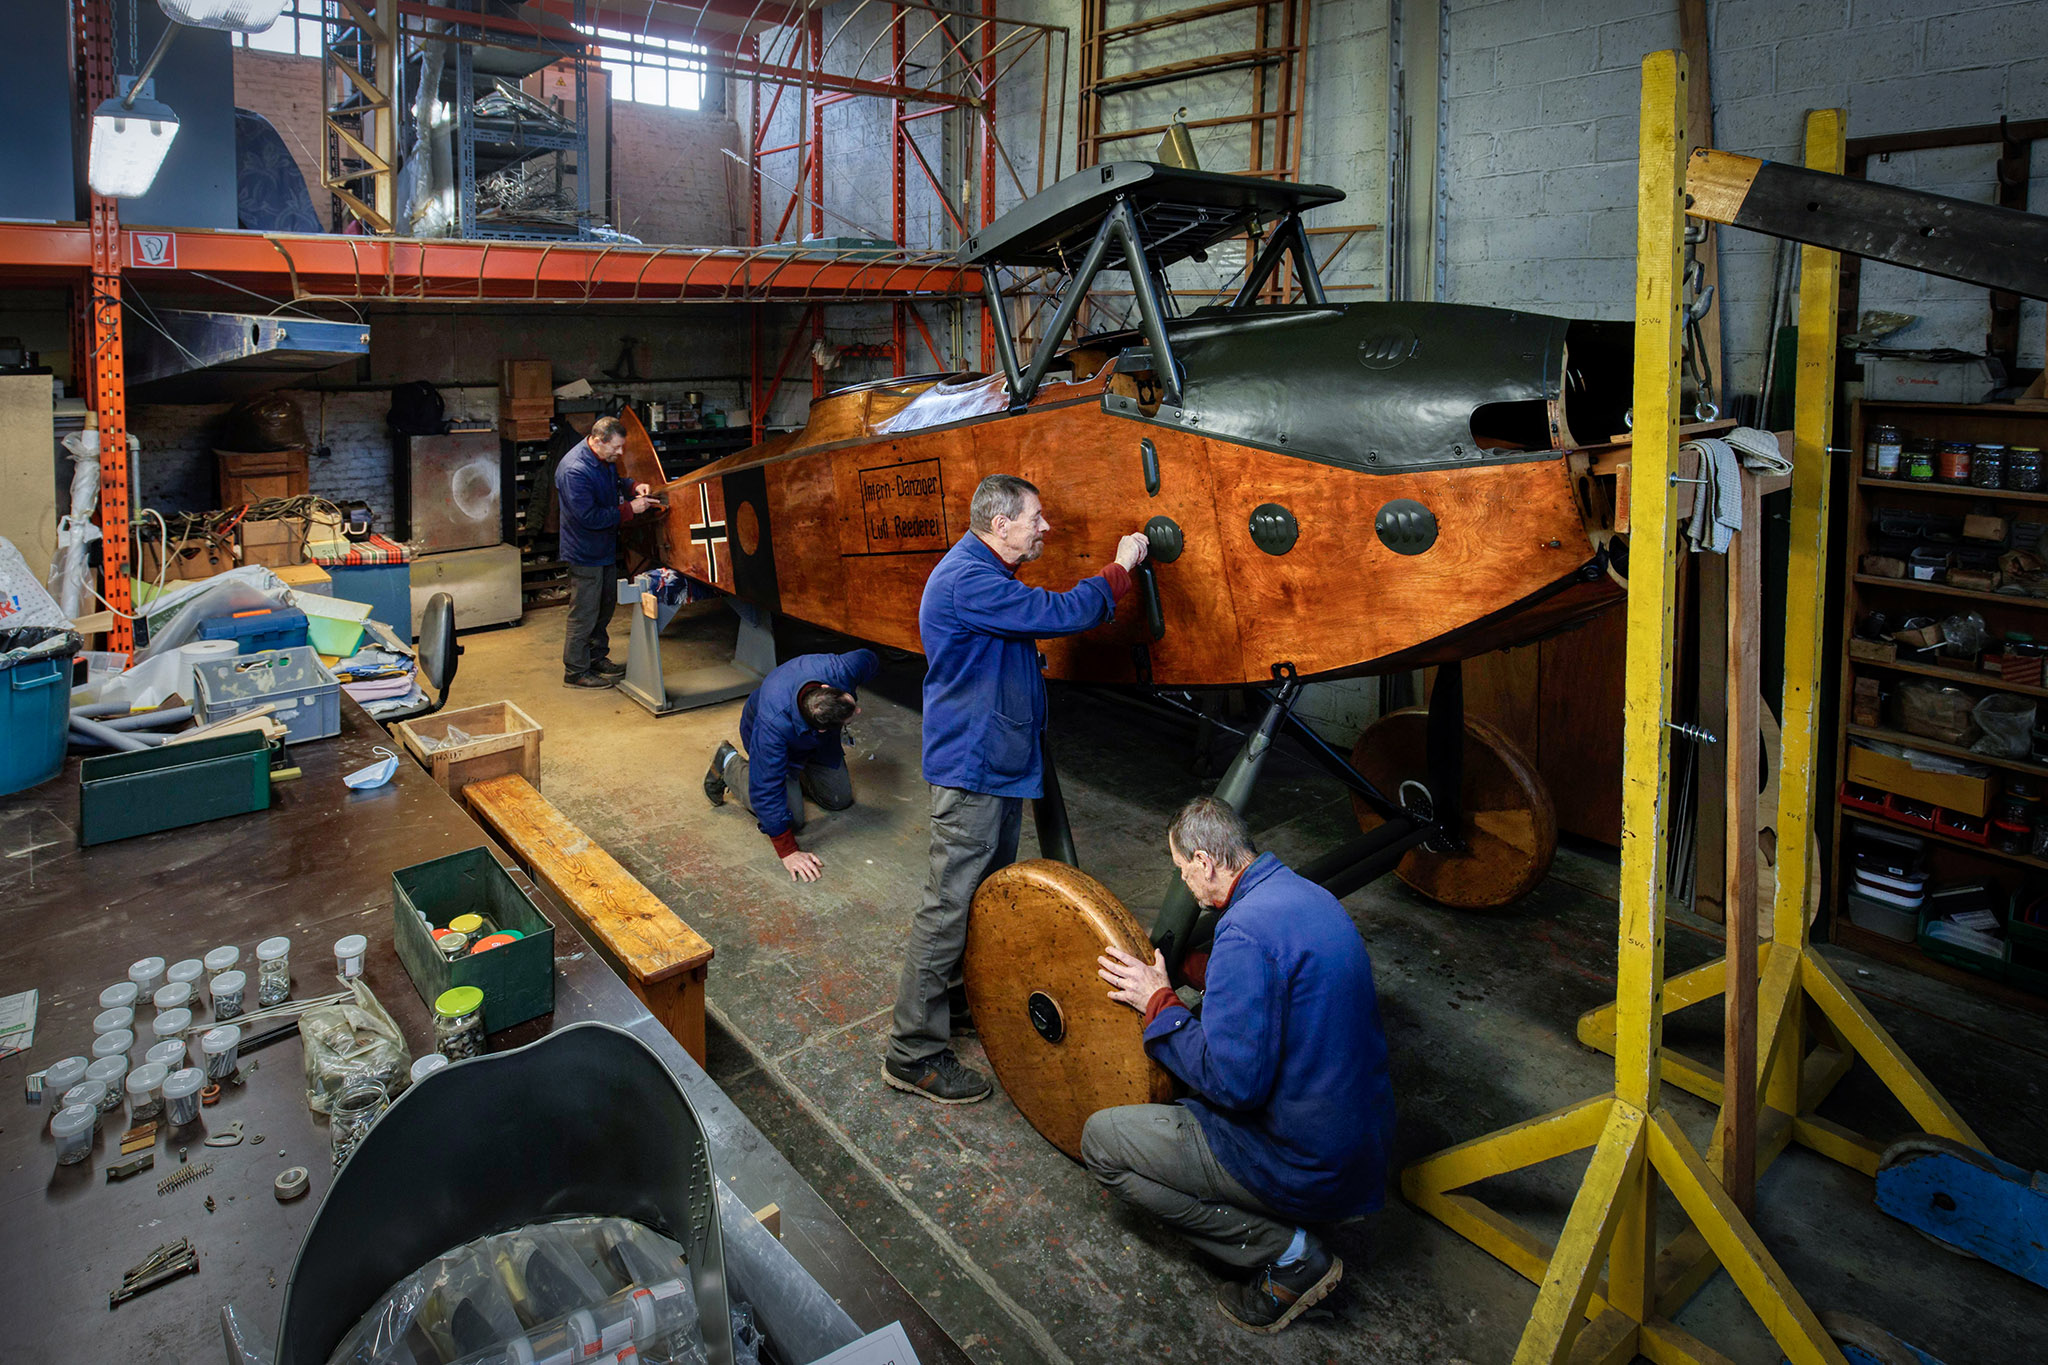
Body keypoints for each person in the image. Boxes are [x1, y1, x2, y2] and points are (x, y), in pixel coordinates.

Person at [883, 473, 1149, 1103]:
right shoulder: (968, 580)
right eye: (1036, 517)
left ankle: (953, 1002)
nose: (1045, 526)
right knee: (949, 905)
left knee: (979, 897)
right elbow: (1061, 613)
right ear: (1001, 525)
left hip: (993, 762)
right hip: (973, 769)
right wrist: (1121, 568)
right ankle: (911, 1052)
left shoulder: (985, 573)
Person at [1087, 796, 1396, 1334]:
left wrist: (1159, 1002)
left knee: (1102, 1141)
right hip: (1359, 1145)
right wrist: (1203, 970)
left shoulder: (1245, 932)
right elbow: (1285, 984)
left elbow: (1234, 1086)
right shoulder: (1303, 895)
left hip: (1306, 1165)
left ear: (1205, 862)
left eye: (1183, 870)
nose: (1183, 882)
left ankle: (1291, 1255)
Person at [704, 648, 880, 882]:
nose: (858, 711)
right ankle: (728, 763)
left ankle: (798, 776)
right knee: (791, 820)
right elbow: (766, 790)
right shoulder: (772, 730)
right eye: (851, 715)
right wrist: (787, 851)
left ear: (827, 688)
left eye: (851, 703)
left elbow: (869, 656)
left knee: (839, 799)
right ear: (822, 729)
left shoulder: (839, 670)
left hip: (816, 742)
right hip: (776, 742)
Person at [554, 415, 659, 688]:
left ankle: (597, 657)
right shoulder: (574, 470)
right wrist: (630, 510)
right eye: (616, 448)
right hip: (584, 551)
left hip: (603, 548)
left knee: (604, 606)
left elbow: (614, 483)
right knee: (584, 612)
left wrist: (633, 486)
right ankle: (576, 671)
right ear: (598, 441)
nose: (620, 452)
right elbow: (588, 517)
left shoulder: (603, 459)